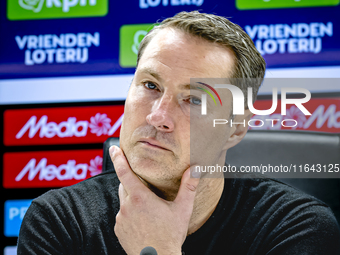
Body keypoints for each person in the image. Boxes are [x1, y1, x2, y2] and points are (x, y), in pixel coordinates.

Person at [18, 11, 340, 255]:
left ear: (236, 127)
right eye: (149, 85)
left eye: (194, 100)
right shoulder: (58, 219)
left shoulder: (297, 228)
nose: (158, 116)